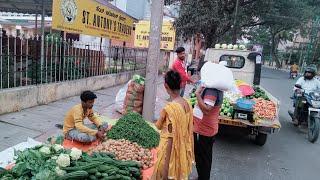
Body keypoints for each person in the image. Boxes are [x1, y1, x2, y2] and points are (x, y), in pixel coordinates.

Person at [152, 70, 194, 179]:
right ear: (181, 84)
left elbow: (170, 139)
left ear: (166, 86)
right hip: (182, 151)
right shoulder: (187, 103)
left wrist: (166, 172)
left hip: (169, 156)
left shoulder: (170, 109)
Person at [193, 84, 224, 180]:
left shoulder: (212, 90)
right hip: (206, 128)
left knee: (202, 157)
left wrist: (198, 94)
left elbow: (207, 109)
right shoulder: (215, 88)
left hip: (204, 130)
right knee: (204, 156)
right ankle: (201, 177)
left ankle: (203, 178)